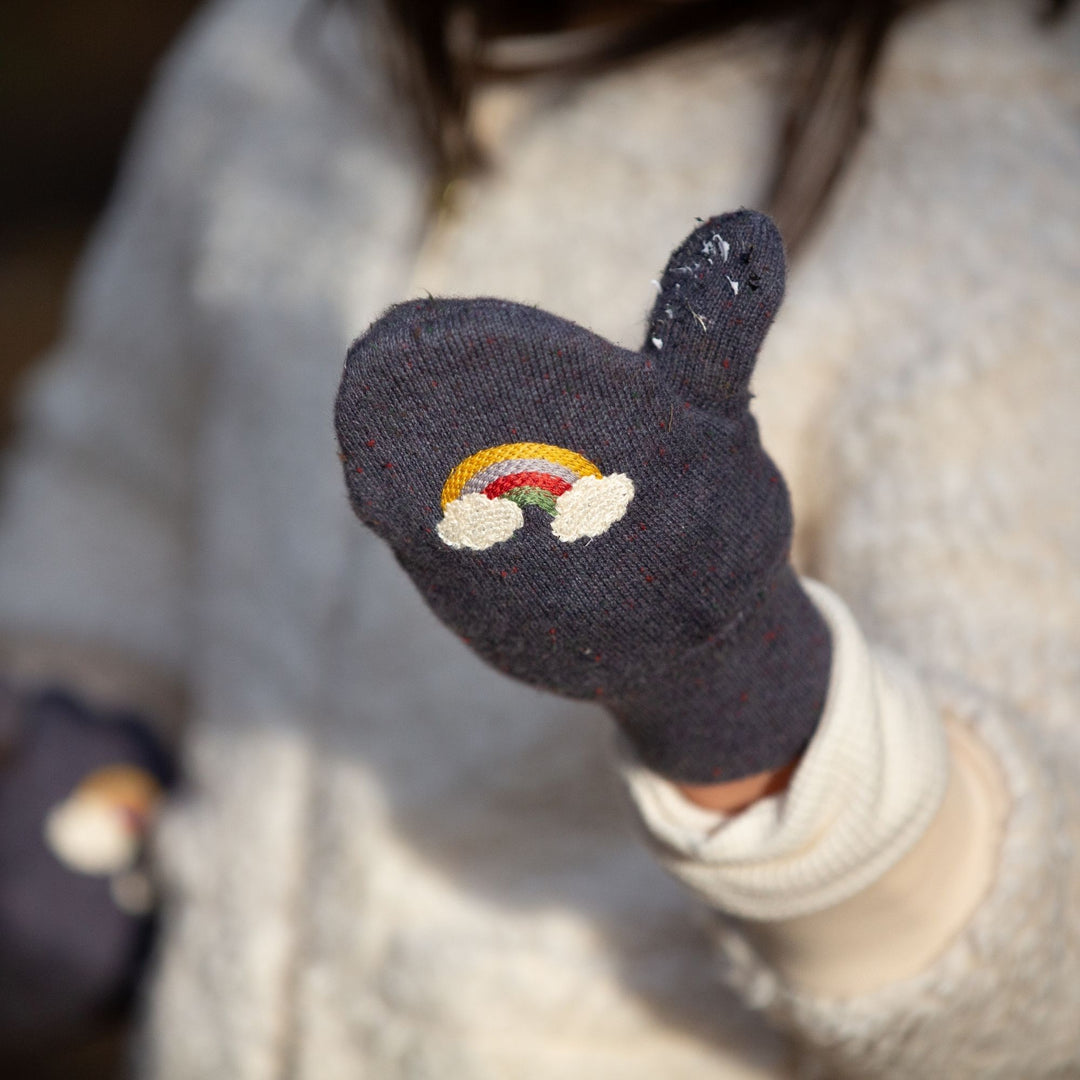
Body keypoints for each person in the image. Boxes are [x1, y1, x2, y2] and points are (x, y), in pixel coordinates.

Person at [0, 0, 1077, 1075]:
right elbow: (121, 473)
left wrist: (733, 689)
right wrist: (78, 742)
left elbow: (1039, 969)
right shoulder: (270, 56)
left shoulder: (992, 162)